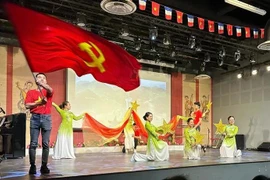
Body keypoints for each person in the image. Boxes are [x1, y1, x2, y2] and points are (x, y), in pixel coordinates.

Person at [25, 73, 53, 175]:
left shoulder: (47, 92)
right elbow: (27, 105)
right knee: (33, 144)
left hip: (46, 118)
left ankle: (44, 166)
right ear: (35, 80)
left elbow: (51, 90)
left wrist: (43, 84)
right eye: (39, 77)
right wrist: (39, 103)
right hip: (35, 118)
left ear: (45, 81)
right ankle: (32, 166)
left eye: (43, 78)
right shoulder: (31, 92)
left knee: (45, 143)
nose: (41, 79)